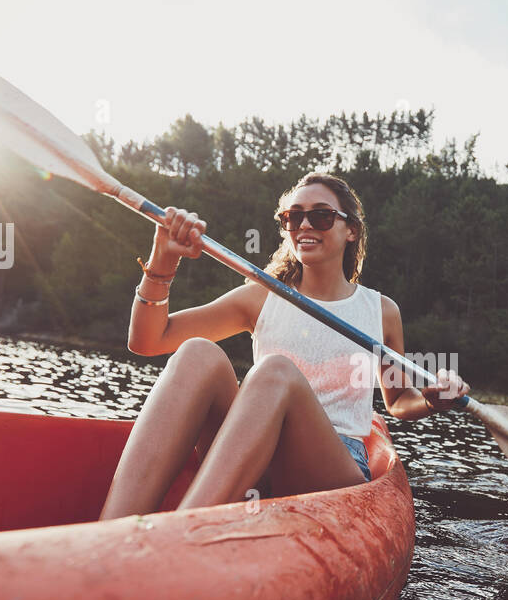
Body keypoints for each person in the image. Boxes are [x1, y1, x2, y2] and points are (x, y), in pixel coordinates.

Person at [98, 172, 469, 518]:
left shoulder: (381, 311)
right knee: (198, 353)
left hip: (330, 469)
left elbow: (399, 401)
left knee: (274, 372)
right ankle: (110, 532)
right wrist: (164, 259)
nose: (305, 225)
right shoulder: (261, 297)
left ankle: (179, 533)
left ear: (351, 230)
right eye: (293, 217)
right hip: (251, 458)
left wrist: (432, 400)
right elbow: (148, 341)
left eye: (321, 216)